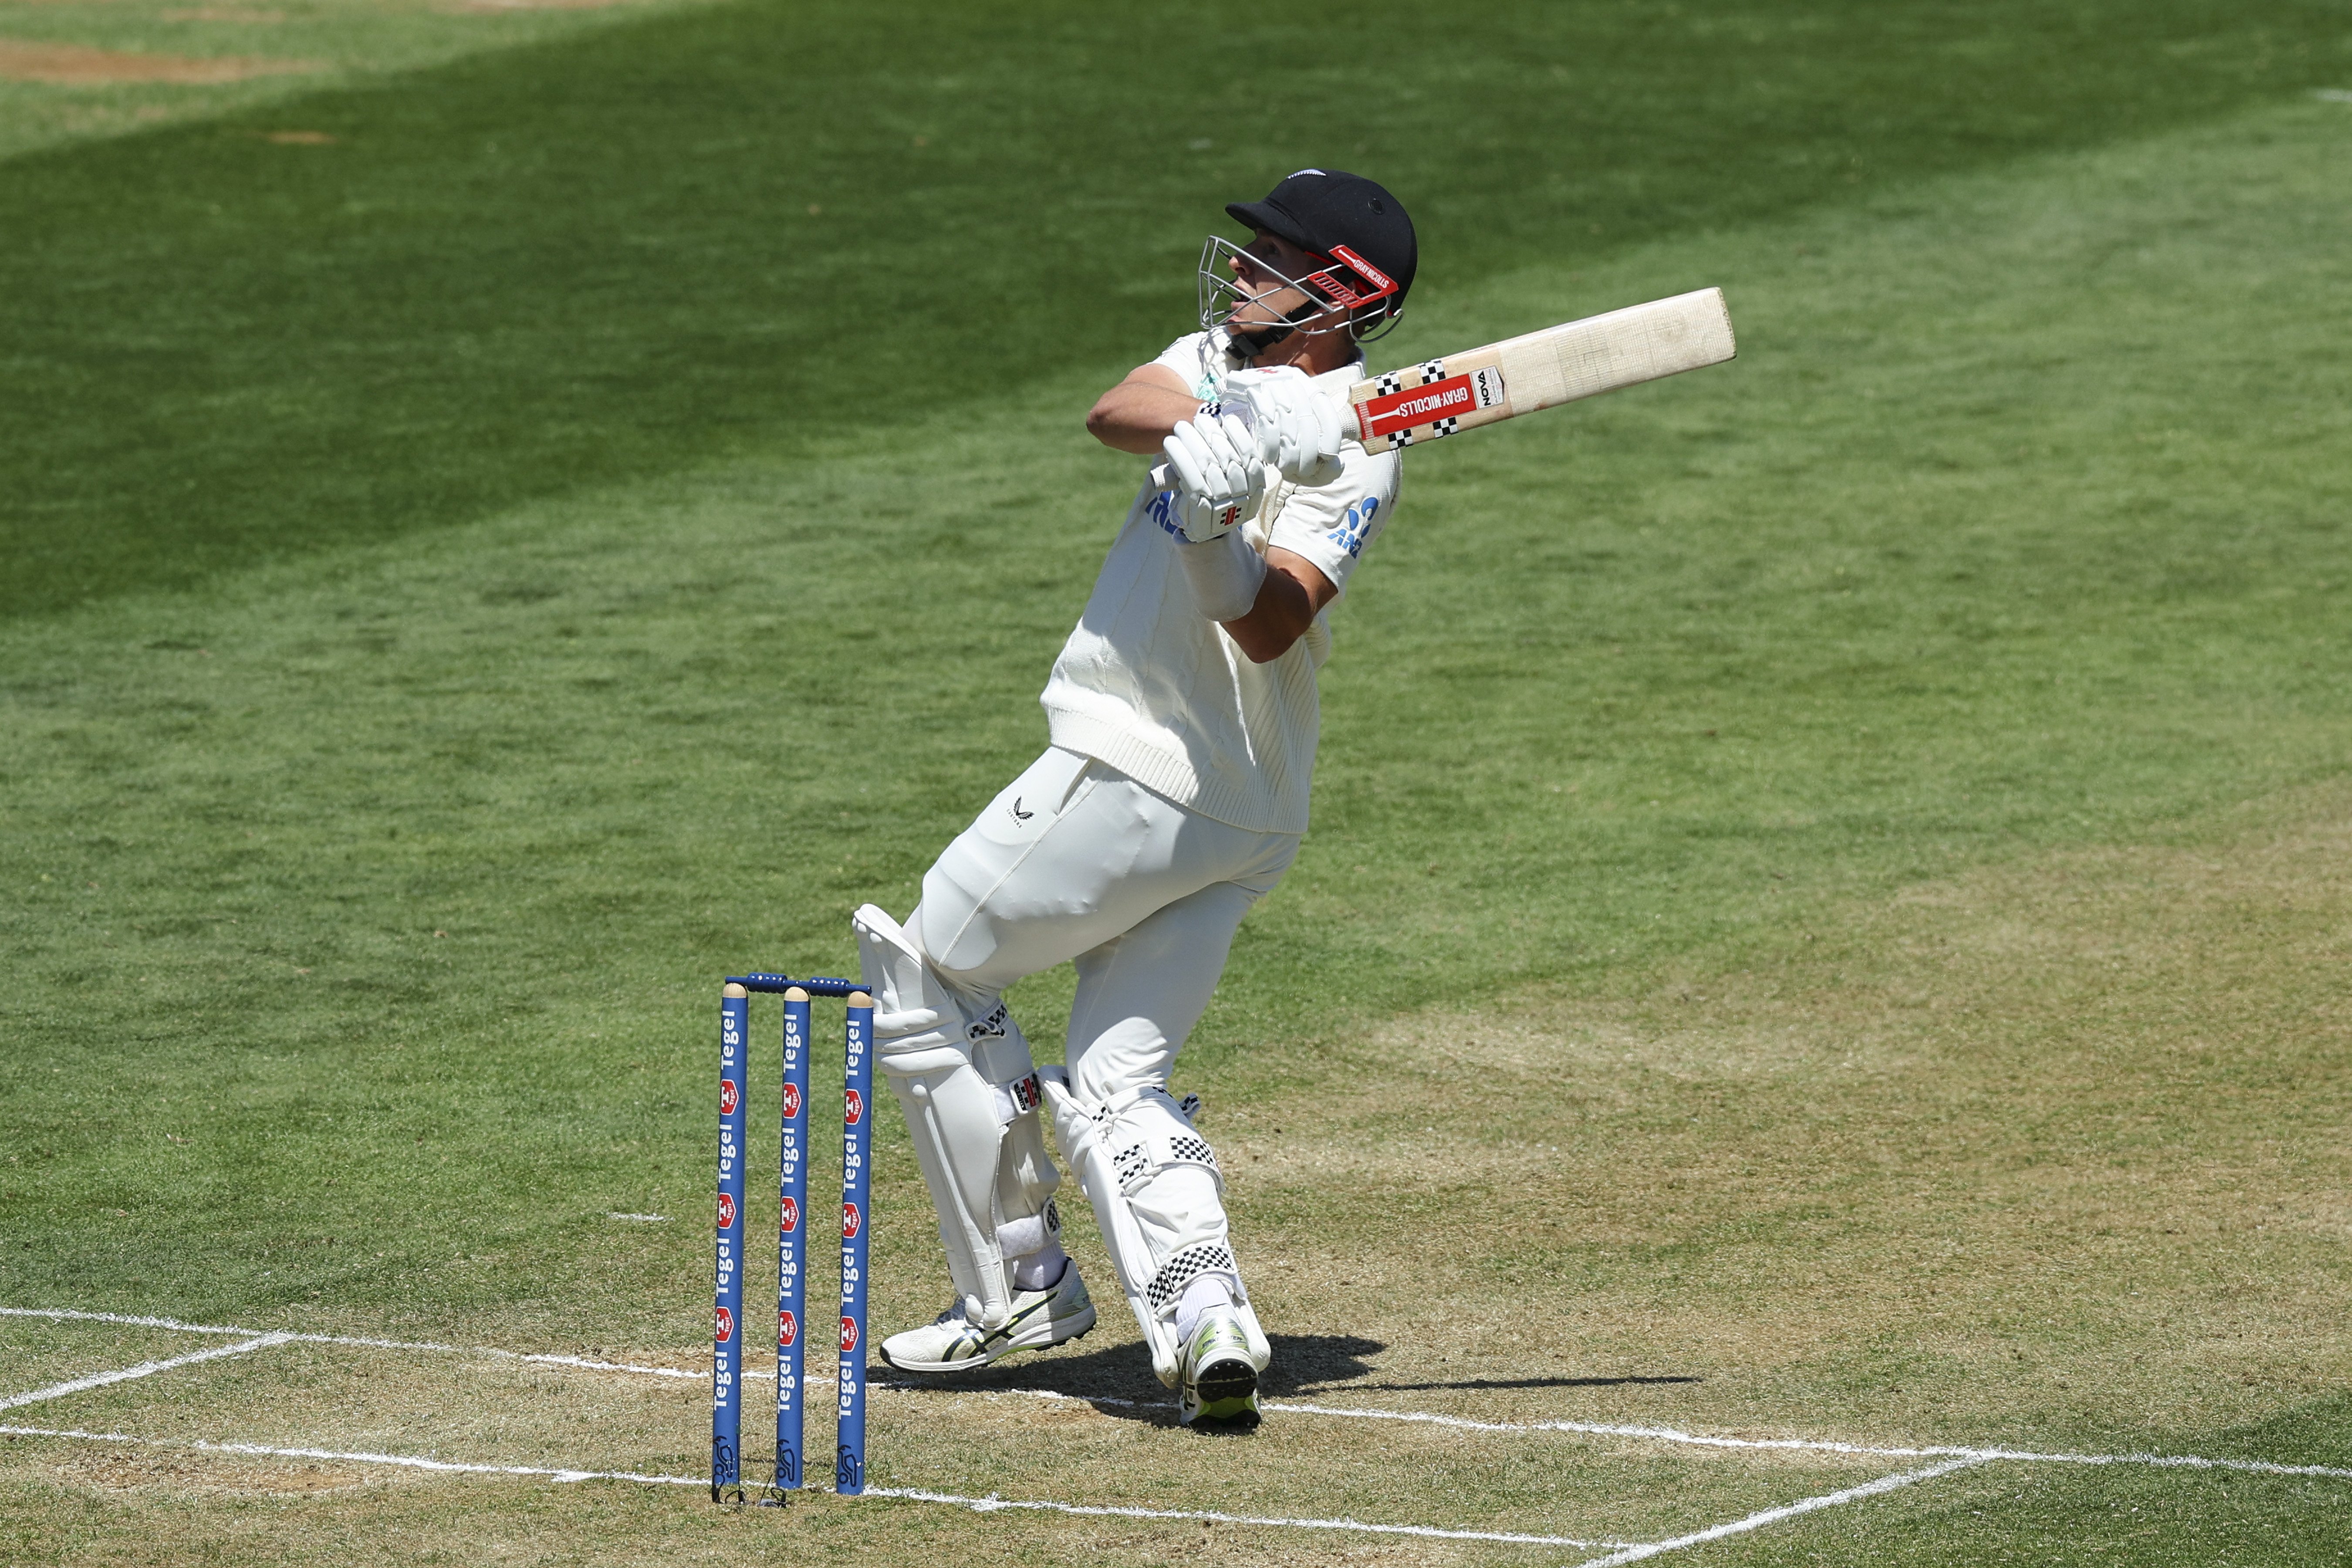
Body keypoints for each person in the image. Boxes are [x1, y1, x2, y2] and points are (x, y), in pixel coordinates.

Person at [852, 169, 1416, 1428]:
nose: (1244, 268)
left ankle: (1021, 1284)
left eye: (1274, 255)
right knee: (1117, 1076)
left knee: (930, 964)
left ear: (1340, 293)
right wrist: (1229, 429)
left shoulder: (1363, 451)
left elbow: (1268, 627)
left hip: (1147, 770)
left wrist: (1222, 520)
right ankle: (1210, 1317)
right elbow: (1120, 410)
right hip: (1242, 816)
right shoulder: (1227, 359)